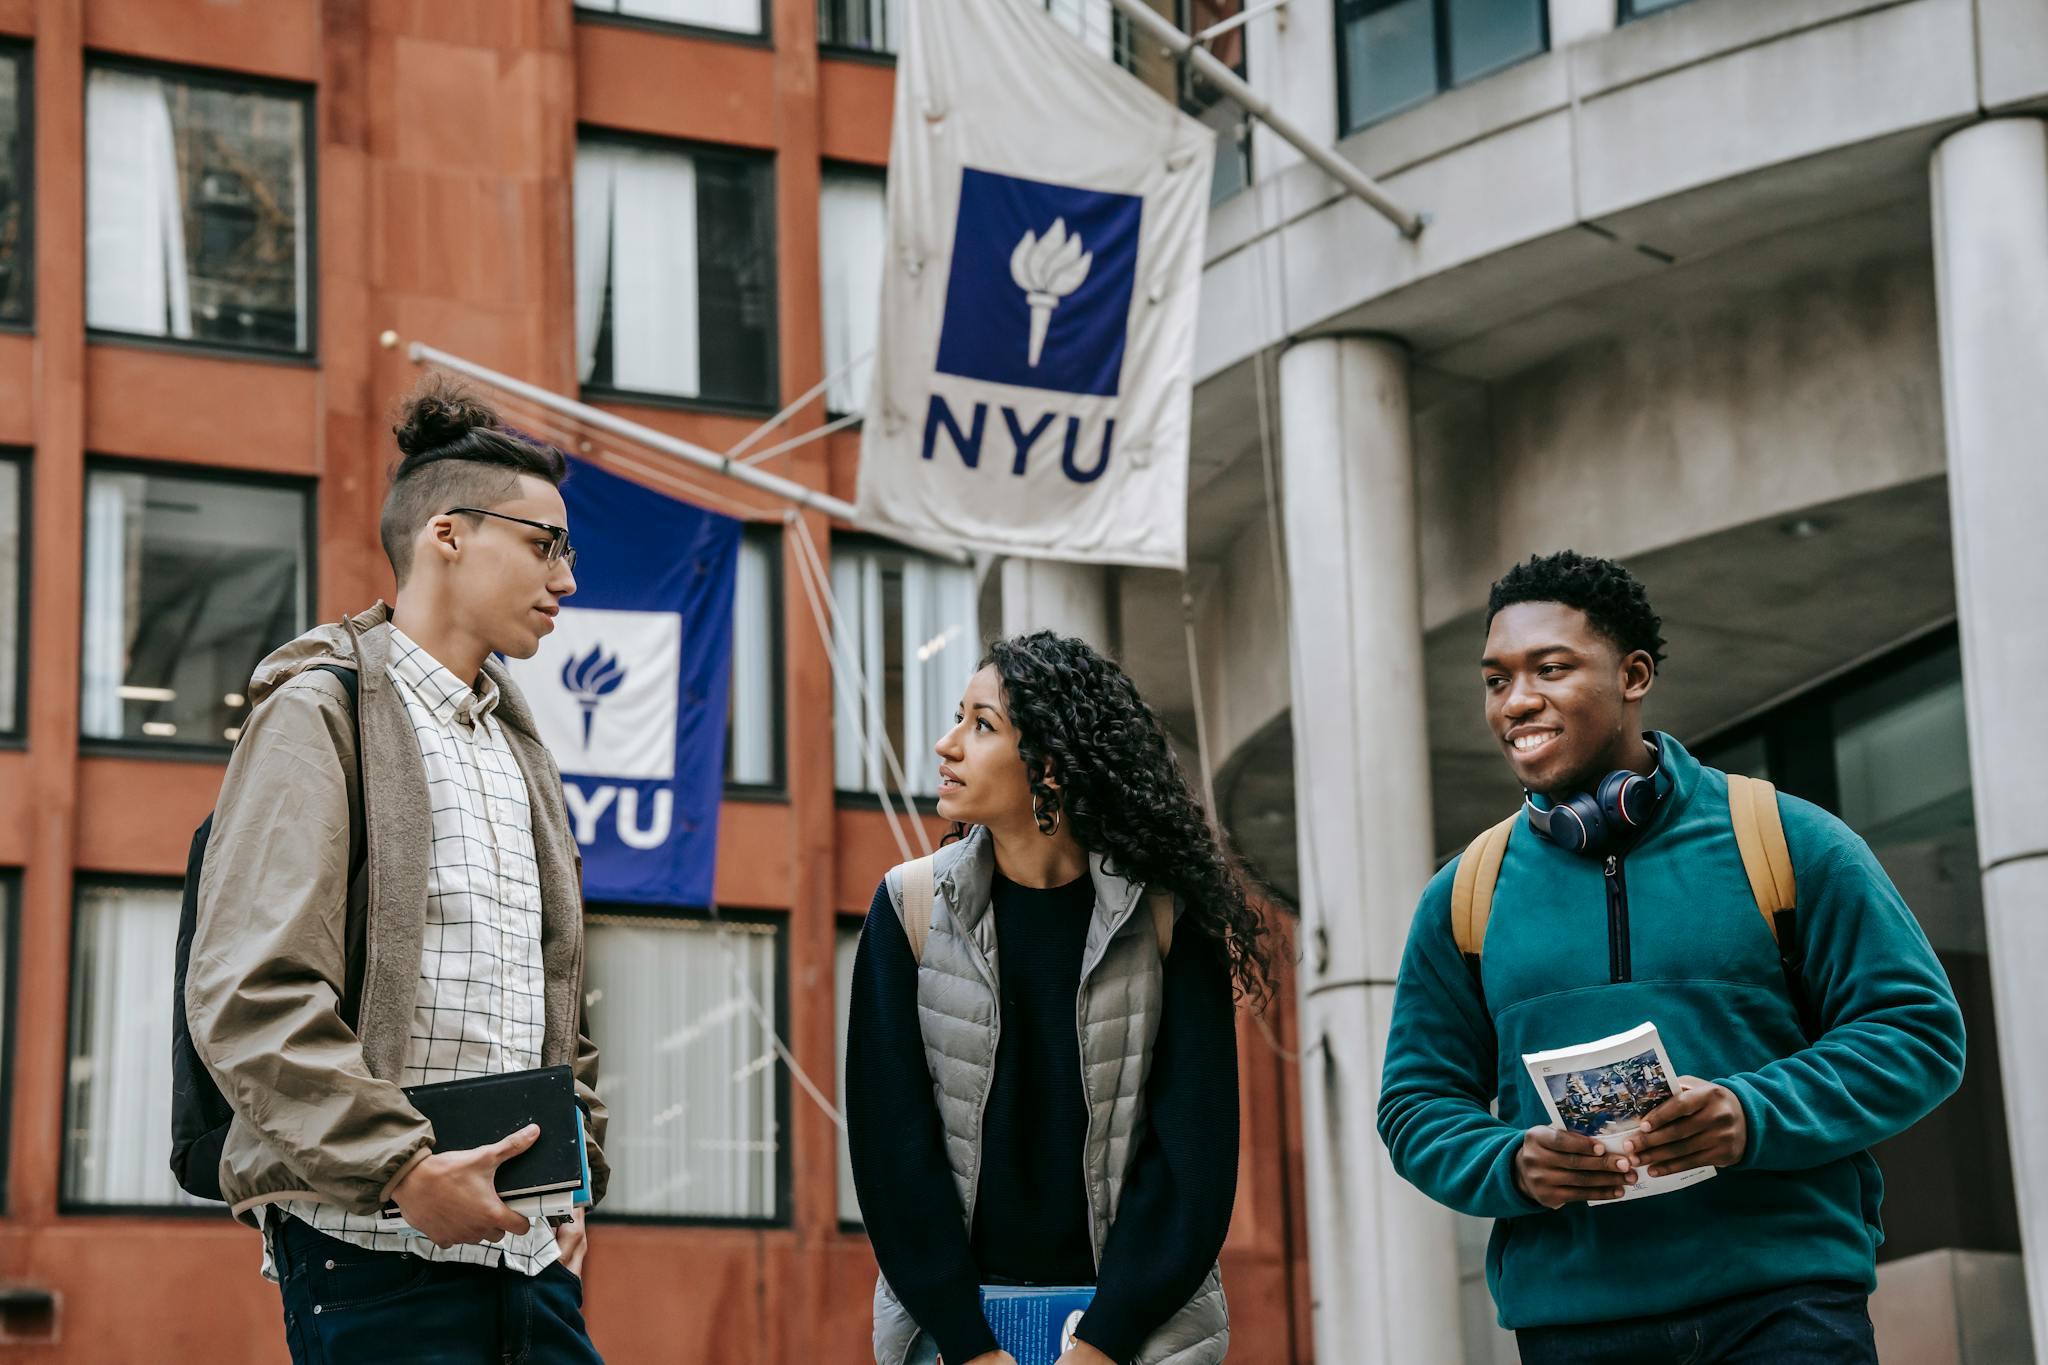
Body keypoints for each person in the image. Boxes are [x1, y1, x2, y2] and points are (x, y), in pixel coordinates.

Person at [1377, 550, 1967, 1364]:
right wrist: (1510, 1161)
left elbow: (1917, 1033)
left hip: (1786, 1308)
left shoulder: (1789, 840)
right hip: (1574, 1327)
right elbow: (1414, 1103)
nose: (1517, 701)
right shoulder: (1464, 894)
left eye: (1549, 668)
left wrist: (1750, 1112)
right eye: (1496, 679)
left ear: (1634, 673)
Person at [186, 380, 610, 1364]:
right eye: (545, 545)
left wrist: (575, 1174)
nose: (568, 578)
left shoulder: (517, 746)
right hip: (371, 1251)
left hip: (529, 1257)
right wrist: (404, 1170)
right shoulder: (318, 715)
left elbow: (558, 1000)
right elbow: (252, 992)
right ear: (447, 535)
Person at [846, 632, 1269, 1365]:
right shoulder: (908, 907)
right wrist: (972, 1346)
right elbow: (893, 1157)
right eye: (959, 718)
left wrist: (1101, 1343)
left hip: (1139, 1337)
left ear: (1049, 764)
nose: (947, 745)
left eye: (981, 725)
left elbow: (1192, 1161)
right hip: (955, 1335)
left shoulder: (1168, 918)